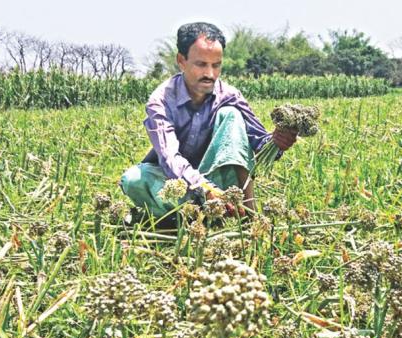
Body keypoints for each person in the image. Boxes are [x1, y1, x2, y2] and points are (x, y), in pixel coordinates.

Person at [119, 22, 297, 222]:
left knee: (230, 114)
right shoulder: (161, 101)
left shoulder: (230, 95)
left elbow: (260, 144)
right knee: (133, 180)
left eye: (216, 65)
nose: (210, 74)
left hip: (222, 183)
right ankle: (193, 217)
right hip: (179, 184)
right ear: (181, 61)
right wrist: (205, 189)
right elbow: (169, 158)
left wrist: (276, 142)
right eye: (201, 64)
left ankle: (248, 213)